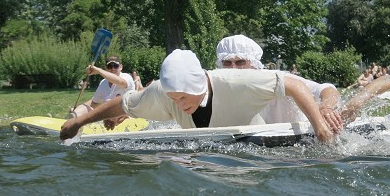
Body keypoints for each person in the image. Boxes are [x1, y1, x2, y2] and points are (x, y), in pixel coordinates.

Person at [59, 49, 335, 143]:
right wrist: (77, 124)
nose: (179, 105)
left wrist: (320, 127)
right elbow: (125, 103)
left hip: (258, 153)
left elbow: (292, 85)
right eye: (174, 98)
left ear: (200, 84)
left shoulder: (238, 82)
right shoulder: (163, 93)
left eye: (184, 98)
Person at [214, 35, 342, 132]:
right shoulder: (220, 86)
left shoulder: (275, 78)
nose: (233, 68)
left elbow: (327, 89)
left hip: (299, 137)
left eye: (240, 62)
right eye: (227, 63)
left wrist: (326, 107)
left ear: (253, 64)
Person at [71, 55, 136, 125]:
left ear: (121, 67)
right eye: (109, 66)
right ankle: (72, 121)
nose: (112, 69)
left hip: (126, 116)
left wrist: (98, 70)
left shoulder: (126, 77)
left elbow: (121, 82)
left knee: (116, 113)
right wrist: (79, 108)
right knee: (82, 109)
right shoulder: (103, 83)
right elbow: (94, 103)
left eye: (115, 66)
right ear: (106, 68)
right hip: (108, 115)